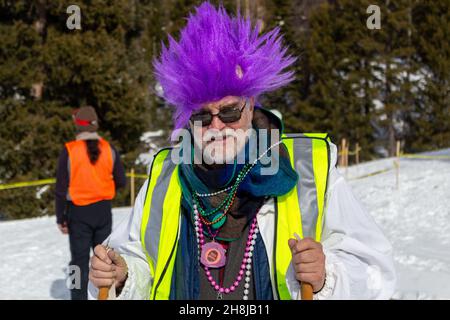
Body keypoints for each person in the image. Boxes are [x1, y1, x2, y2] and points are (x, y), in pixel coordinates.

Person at [88, 2, 396, 300]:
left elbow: (374, 273)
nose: (217, 126)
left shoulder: (308, 167)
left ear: (250, 105)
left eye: (230, 111)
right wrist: (123, 275)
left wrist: (327, 276)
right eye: (202, 116)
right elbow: (139, 259)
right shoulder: (165, 174)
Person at [55, 105, 126, 300]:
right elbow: (121, 181)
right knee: (105, 259)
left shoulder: (69, 151)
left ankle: (78, 297)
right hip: (103, 211)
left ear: (78, 126)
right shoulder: (109, 149)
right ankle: (107, 295)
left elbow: (60, 190)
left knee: (77, 263)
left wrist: (61, 217)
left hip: (78, 213)